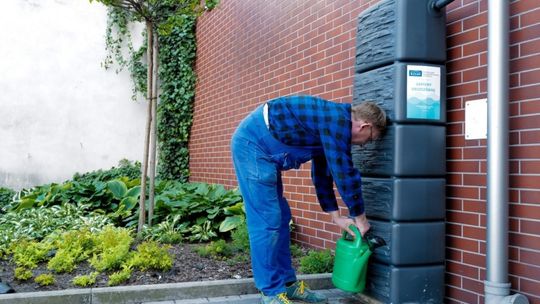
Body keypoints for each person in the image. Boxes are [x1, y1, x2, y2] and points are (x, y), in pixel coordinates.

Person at [230, 95, 387, 304]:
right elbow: (345, 174)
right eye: (369, 139)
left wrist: (337, 217)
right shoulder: (337, 122)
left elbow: (323, 176)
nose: (362, 145)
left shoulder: (330, 128)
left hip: (264, 152)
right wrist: (360, 218)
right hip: (252, 145)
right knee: (268, 221)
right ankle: (270, 292)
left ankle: (288, 284)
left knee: (281, 218)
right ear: (364, 126)